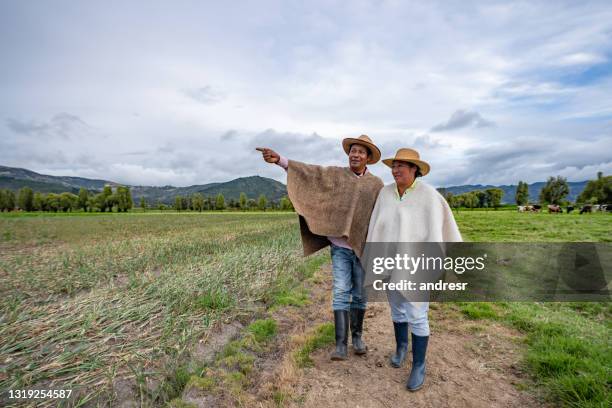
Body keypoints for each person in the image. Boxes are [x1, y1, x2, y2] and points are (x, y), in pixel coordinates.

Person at [257, 135, 384, 360]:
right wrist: (280, 161)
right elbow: (311, 174)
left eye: (361, 152)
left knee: (361, 294)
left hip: (364, 249)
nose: (355, 154)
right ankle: (341, 345)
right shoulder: (336, 175)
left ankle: (357, 337)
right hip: (340, 248)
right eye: (353, 150)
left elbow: (383, 214)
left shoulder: (376, 185)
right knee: (341, 290)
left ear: (368, 158)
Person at [366, 148, 462, 391]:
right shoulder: (385, 193)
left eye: (401, 166)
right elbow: (377, 225)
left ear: (414, 170)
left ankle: (419, 364)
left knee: (417, 314)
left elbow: (443, 228)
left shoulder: (430, 196)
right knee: (397, 309)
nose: (395, 170)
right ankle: (401, 348)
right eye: (394, 166)